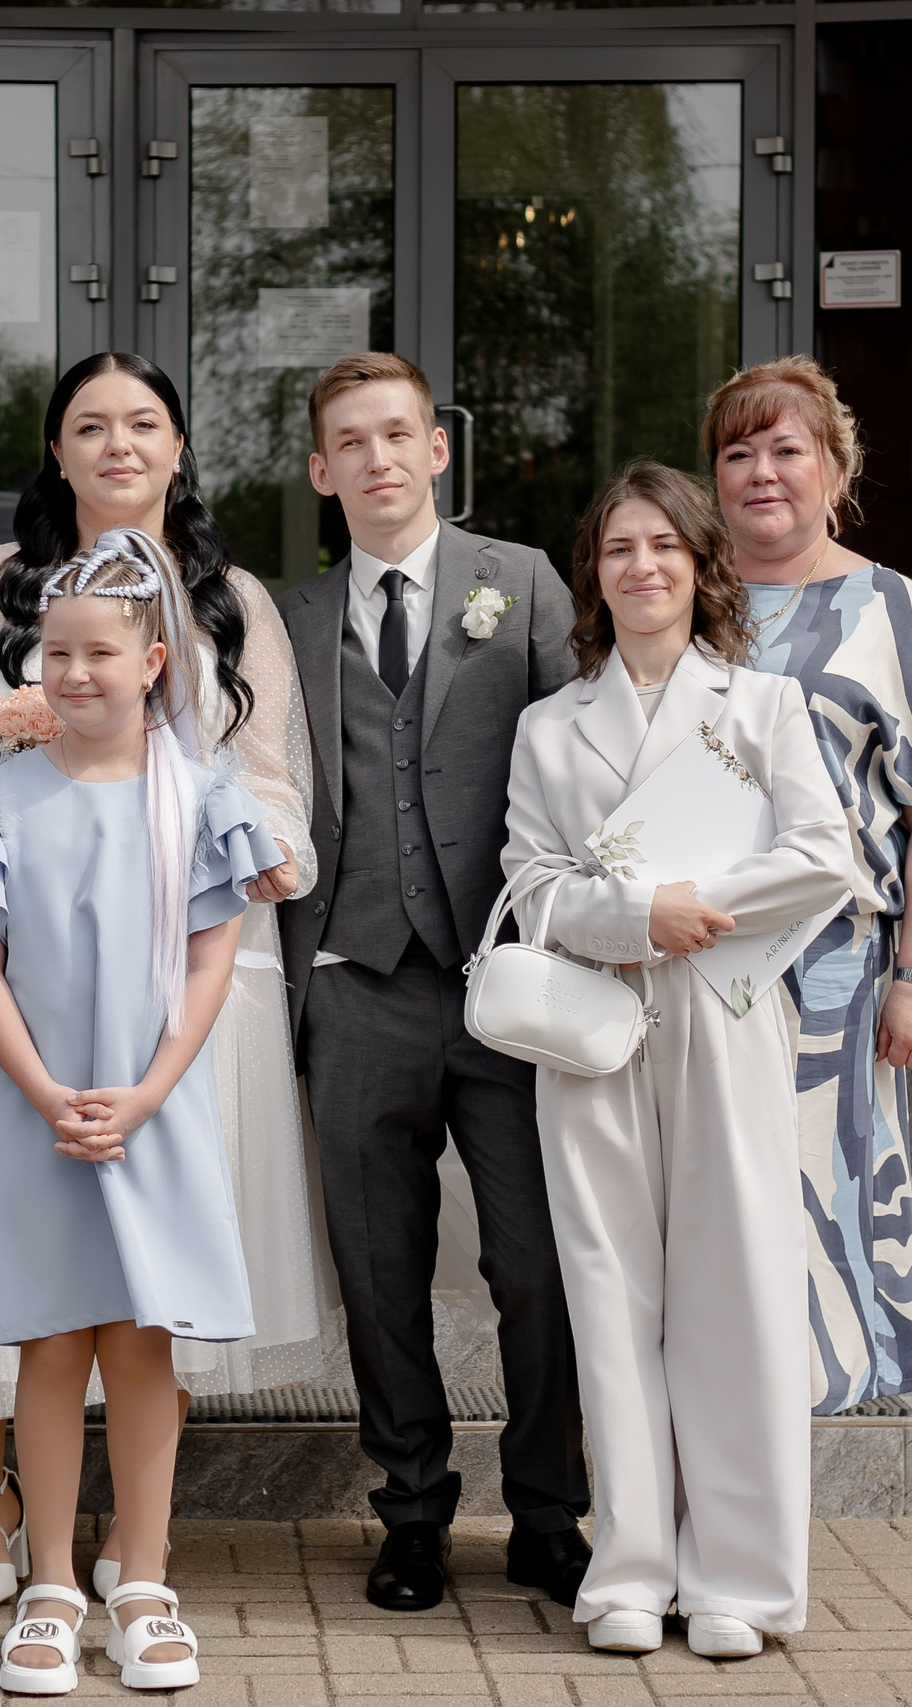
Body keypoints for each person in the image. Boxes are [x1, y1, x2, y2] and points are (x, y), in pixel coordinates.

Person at [0, 351, 334, 1612]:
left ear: (178, 446)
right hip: (24, 949)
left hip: (185, 951)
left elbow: (271, 767)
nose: (118, 444)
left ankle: (134, 1531)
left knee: (149, 1251)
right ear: (56, 450)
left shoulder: (233, 599)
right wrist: (0, 769)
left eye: (143, 423)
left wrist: (259, 844)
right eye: (89, 425)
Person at [501, 462, 859, 1658]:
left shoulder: (763, 706)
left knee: (736, 1289)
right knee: (611, 1297)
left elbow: (825, 855)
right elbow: (530, 886)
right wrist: (631, 917)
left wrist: (689, 906)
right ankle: (631, 1571)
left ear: (701, 566)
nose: (641, 565)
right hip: (593, 1024)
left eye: (663, 545)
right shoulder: (548, 726)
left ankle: (739, 1583)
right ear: (593, 576)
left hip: (724, 1009)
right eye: (618, 549)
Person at [0, 533, 278, 1695]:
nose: (76, 673)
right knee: (48, 1340)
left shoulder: (202, 799)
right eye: (57, 653)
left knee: (140, 1342)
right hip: (39, 1110)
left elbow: (210, 963)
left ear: (154, 662)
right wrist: (44, 1093)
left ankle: (142, 1584)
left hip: (151, 1106)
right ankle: (49, 1586)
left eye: (100, 654)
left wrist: (150, 1089)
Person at [276, 351, 590, 1613]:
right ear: (321, 471)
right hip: (353, 986)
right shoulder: (287, 616)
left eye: (397, 434)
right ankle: (410, 1513)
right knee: (379, 1272)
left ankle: (548, 1513)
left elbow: (586, 752)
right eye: (350, 442)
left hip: (505, 982)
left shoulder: (522, 582)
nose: (378, 459)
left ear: (437, 448)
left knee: (536, 1266)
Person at [704, 356, 912, 1418]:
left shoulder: (890, 608)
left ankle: (831, 1389)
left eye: (787, 449)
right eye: (738, 453)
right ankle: (728, 1392)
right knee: (717, 1184)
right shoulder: (687, 598)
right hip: (697, 949)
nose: (762, 473)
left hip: (832, 966)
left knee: (821, 1177)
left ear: (835, 465)